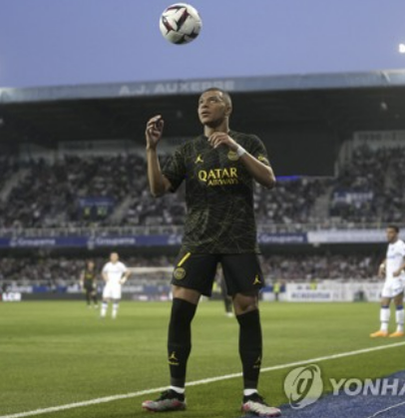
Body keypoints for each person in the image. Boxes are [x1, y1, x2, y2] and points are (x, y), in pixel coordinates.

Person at [142, 88, 280, 417]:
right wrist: (151, 148)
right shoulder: (189, 149)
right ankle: (175, 392)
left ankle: (251, 395)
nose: (204, 105)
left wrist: (235, 148)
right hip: (198, 241)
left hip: (239, 240)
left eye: (212, 100)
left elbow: (269, 179)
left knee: (247, 308)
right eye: (200, 102)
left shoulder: (249, 142)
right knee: (180, 308)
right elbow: (158, 189)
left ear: (228, 108)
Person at [370, 225, 405, 338]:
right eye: (387, 232)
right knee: (384, 302)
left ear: (396, 233)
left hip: (398, 279)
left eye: (390, 232)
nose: (388, 234)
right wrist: (382, 266)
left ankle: (400, 330)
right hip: (389, 279)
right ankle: (383, 330)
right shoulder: (390, 245)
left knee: (398, 303)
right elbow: (388, 258)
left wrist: (399, 269)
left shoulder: (401, 244)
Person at [100, 252, 131, 319]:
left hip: (116, 284)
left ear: (117, 257)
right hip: (109, 284)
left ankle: (113, 315)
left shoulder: (120, 265)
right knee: (105, 298)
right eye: (112, 256)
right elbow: (103, 272)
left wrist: (123, 279)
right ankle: (102, 315)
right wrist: (105, 278)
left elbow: (128, 272)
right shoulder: (107, 265)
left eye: (115, 256)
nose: (113, 257)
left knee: (116, 299)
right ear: (110, 257)